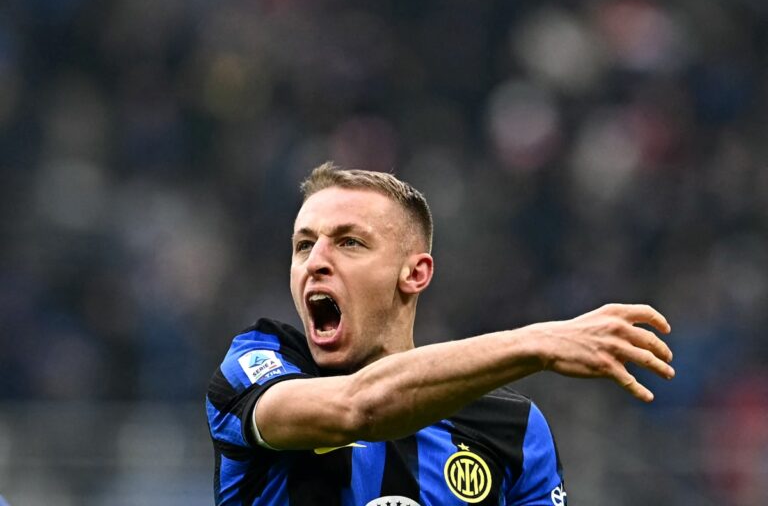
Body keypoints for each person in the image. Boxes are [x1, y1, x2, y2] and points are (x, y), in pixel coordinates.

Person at [206, 163, 675, 505]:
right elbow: (358, 408)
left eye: (350, 242)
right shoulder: (257, 365)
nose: (316, 262)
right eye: (304, 245)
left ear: (415, 273)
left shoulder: (512, 428)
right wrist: (536, 343)